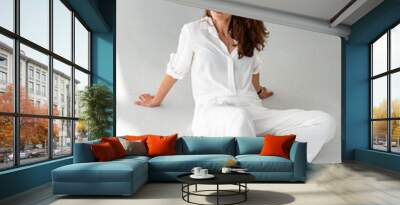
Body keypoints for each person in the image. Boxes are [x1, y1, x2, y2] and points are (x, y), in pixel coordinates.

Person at [135, 10, 336, 162]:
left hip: (252, 109)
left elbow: (254, 70)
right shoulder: (194, 31)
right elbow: (177, 69)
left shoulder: (247, 33)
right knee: (240, 117)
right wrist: (156, 100)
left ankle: (276, 158)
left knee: (324, 121)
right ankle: (259, 161)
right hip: (214, 112)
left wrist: (259, 91)